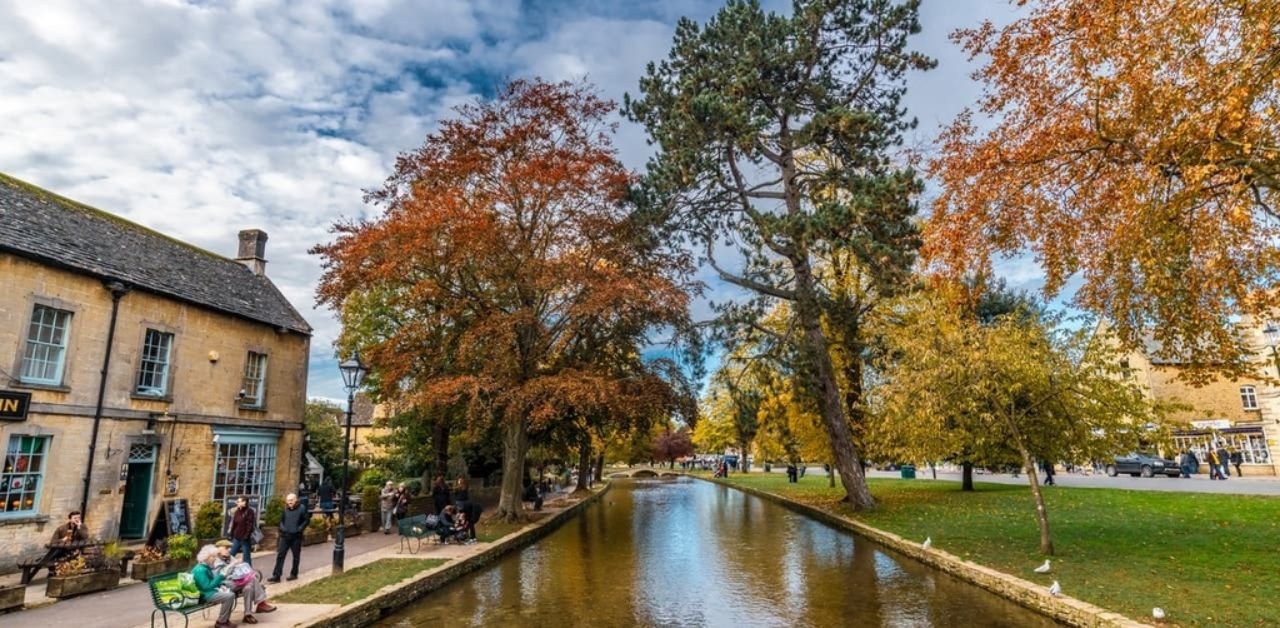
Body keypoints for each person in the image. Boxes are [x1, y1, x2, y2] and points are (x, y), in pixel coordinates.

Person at [213, 540, 276, 624]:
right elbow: (220, 576)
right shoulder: (215, 560)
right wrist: (233, 566)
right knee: (252, 579)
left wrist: (240, 567)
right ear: (218, 549)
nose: (229, 549)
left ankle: (248, 615)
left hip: (235, 581)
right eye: (226, 548)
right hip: (224, 585)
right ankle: (261, 603)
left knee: (249, 587)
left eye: (230, 547)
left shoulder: (229, 557)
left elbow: (236, 568)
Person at [193, 544, 238, 628]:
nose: (215, 558)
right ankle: (221, 622)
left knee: (230, 592)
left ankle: (224, 620)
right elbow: (207, 587)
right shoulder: (200, 569)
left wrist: (221, 582)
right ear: (207, 557)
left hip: (208, 592)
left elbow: (210, 584)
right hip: (205, 594)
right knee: (229, 596)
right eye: (213, 556)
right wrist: (221, 576)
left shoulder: (205, 566)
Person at [268, 493, 308, 583]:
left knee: (296, 556)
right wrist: (282, 528)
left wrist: (300, 529)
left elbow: (306, 520)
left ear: (295, 500)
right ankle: (276, 575)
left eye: (291, 500)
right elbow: (281, 520)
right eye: (288, 500)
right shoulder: (285, 509)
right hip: (285, 536)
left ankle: (294, 574)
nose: (289, 502)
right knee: (280, 555)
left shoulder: (302, 508)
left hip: (296, 536)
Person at [226, 496, 257, 566]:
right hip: (237, 537)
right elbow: (234, 524)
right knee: (231, 554)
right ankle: (226, 571)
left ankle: (249, 574)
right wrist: (231, 534)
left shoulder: (249, 511)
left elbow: (250, 525)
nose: (237, 503)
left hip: (245, 538)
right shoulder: (237, 511)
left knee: (246, 557)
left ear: (244, 502)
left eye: (239, 501)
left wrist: (246, 536)